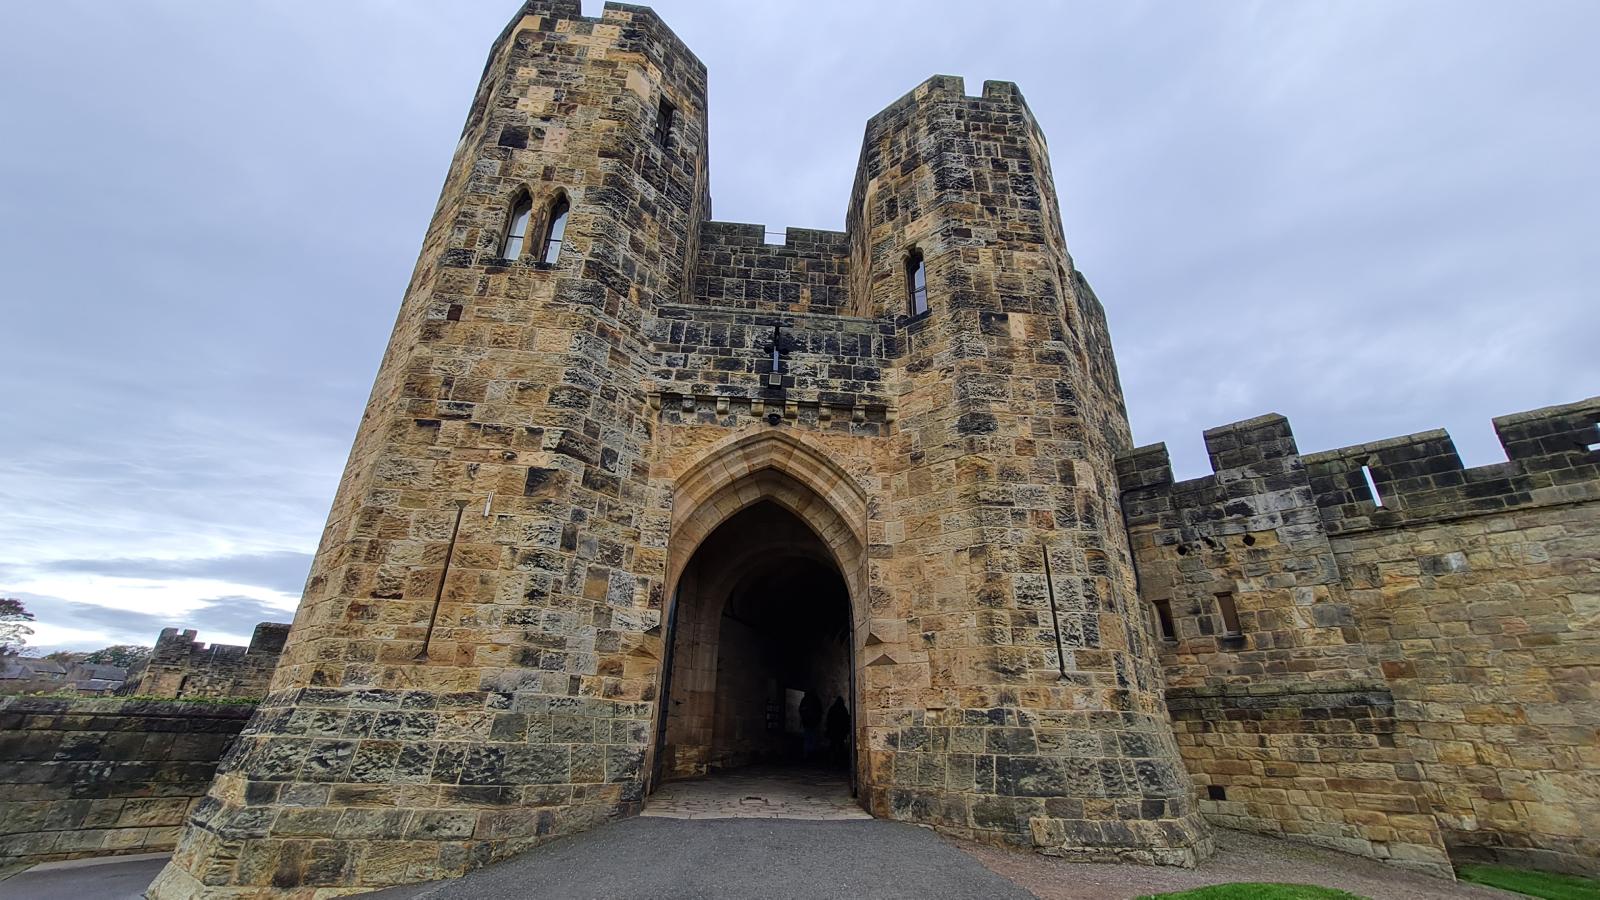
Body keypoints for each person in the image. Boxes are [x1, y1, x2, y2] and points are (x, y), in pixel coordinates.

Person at [825, 696, 850, 767]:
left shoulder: (832, 709)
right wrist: (846, 731)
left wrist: (828, 728)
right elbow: (846, 721)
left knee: (833, 746)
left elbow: (829, 720)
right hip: (841, 731)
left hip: (833, 730)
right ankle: (839, 760)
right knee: (840, 746)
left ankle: (832, 760)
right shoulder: (843, 709)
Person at [798, 690, 822, 762]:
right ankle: (811, 754)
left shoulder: (805, 700)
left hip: (807, 723)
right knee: (812, 738)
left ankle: (807, 754)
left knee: (807, 738)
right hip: (813, 723)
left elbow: (800, 709)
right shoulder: (816, 700)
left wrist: (803, 717)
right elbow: (820, 711)